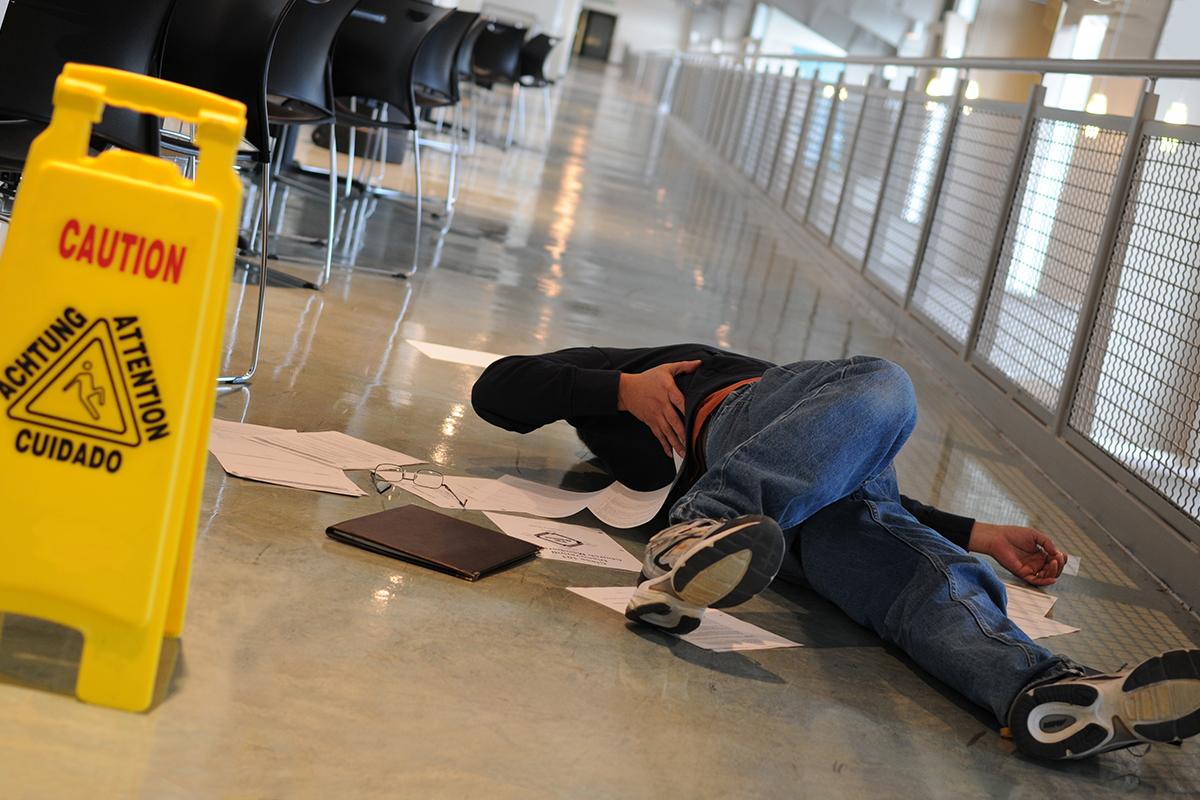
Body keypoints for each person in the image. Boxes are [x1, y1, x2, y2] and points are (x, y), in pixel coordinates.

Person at [472, 343, 1200, 761]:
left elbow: (826, 460)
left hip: (774, 495)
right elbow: (496, 386)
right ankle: (699, 527)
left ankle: (1044, 692)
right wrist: (621, 386)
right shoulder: (648, 372)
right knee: (887, 387)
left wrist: (976, 532)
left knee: (908, 568)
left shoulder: (765, 390)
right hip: (745, 521)